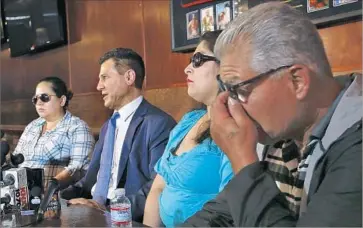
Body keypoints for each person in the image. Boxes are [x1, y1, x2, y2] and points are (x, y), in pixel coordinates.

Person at [183, 2, 362, 227]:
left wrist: (243, 162)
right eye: (227, 91)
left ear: (297, 81)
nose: (232, 105)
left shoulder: (356, 145)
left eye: (240, 89)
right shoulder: (279, 135)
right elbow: (220, 217)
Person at [61, 48, 176, 223]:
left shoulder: (159, 124)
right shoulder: (109, 125)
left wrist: (107, 210)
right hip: (91, 210)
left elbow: (157, 186)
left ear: (129, 77)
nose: (98, 86)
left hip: (123, 217)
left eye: (104, 77)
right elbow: (92, 178)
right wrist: (59, 196)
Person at [143, 31, 233, 228]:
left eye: (197, 60)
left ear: (225, 67)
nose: (187, 69)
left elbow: (230, 209)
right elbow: (158, 187)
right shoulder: (189, 120)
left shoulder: (235, 129)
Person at [12, 76, 95, 188]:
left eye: (45, 97)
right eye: (36, 99)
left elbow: (78, 169)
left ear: (62, 100)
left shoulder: (77, 127)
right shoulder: (32, 126)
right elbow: (16, 159)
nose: (39, 103)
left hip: (55, 197)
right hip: (21, 193)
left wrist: (52, 187)